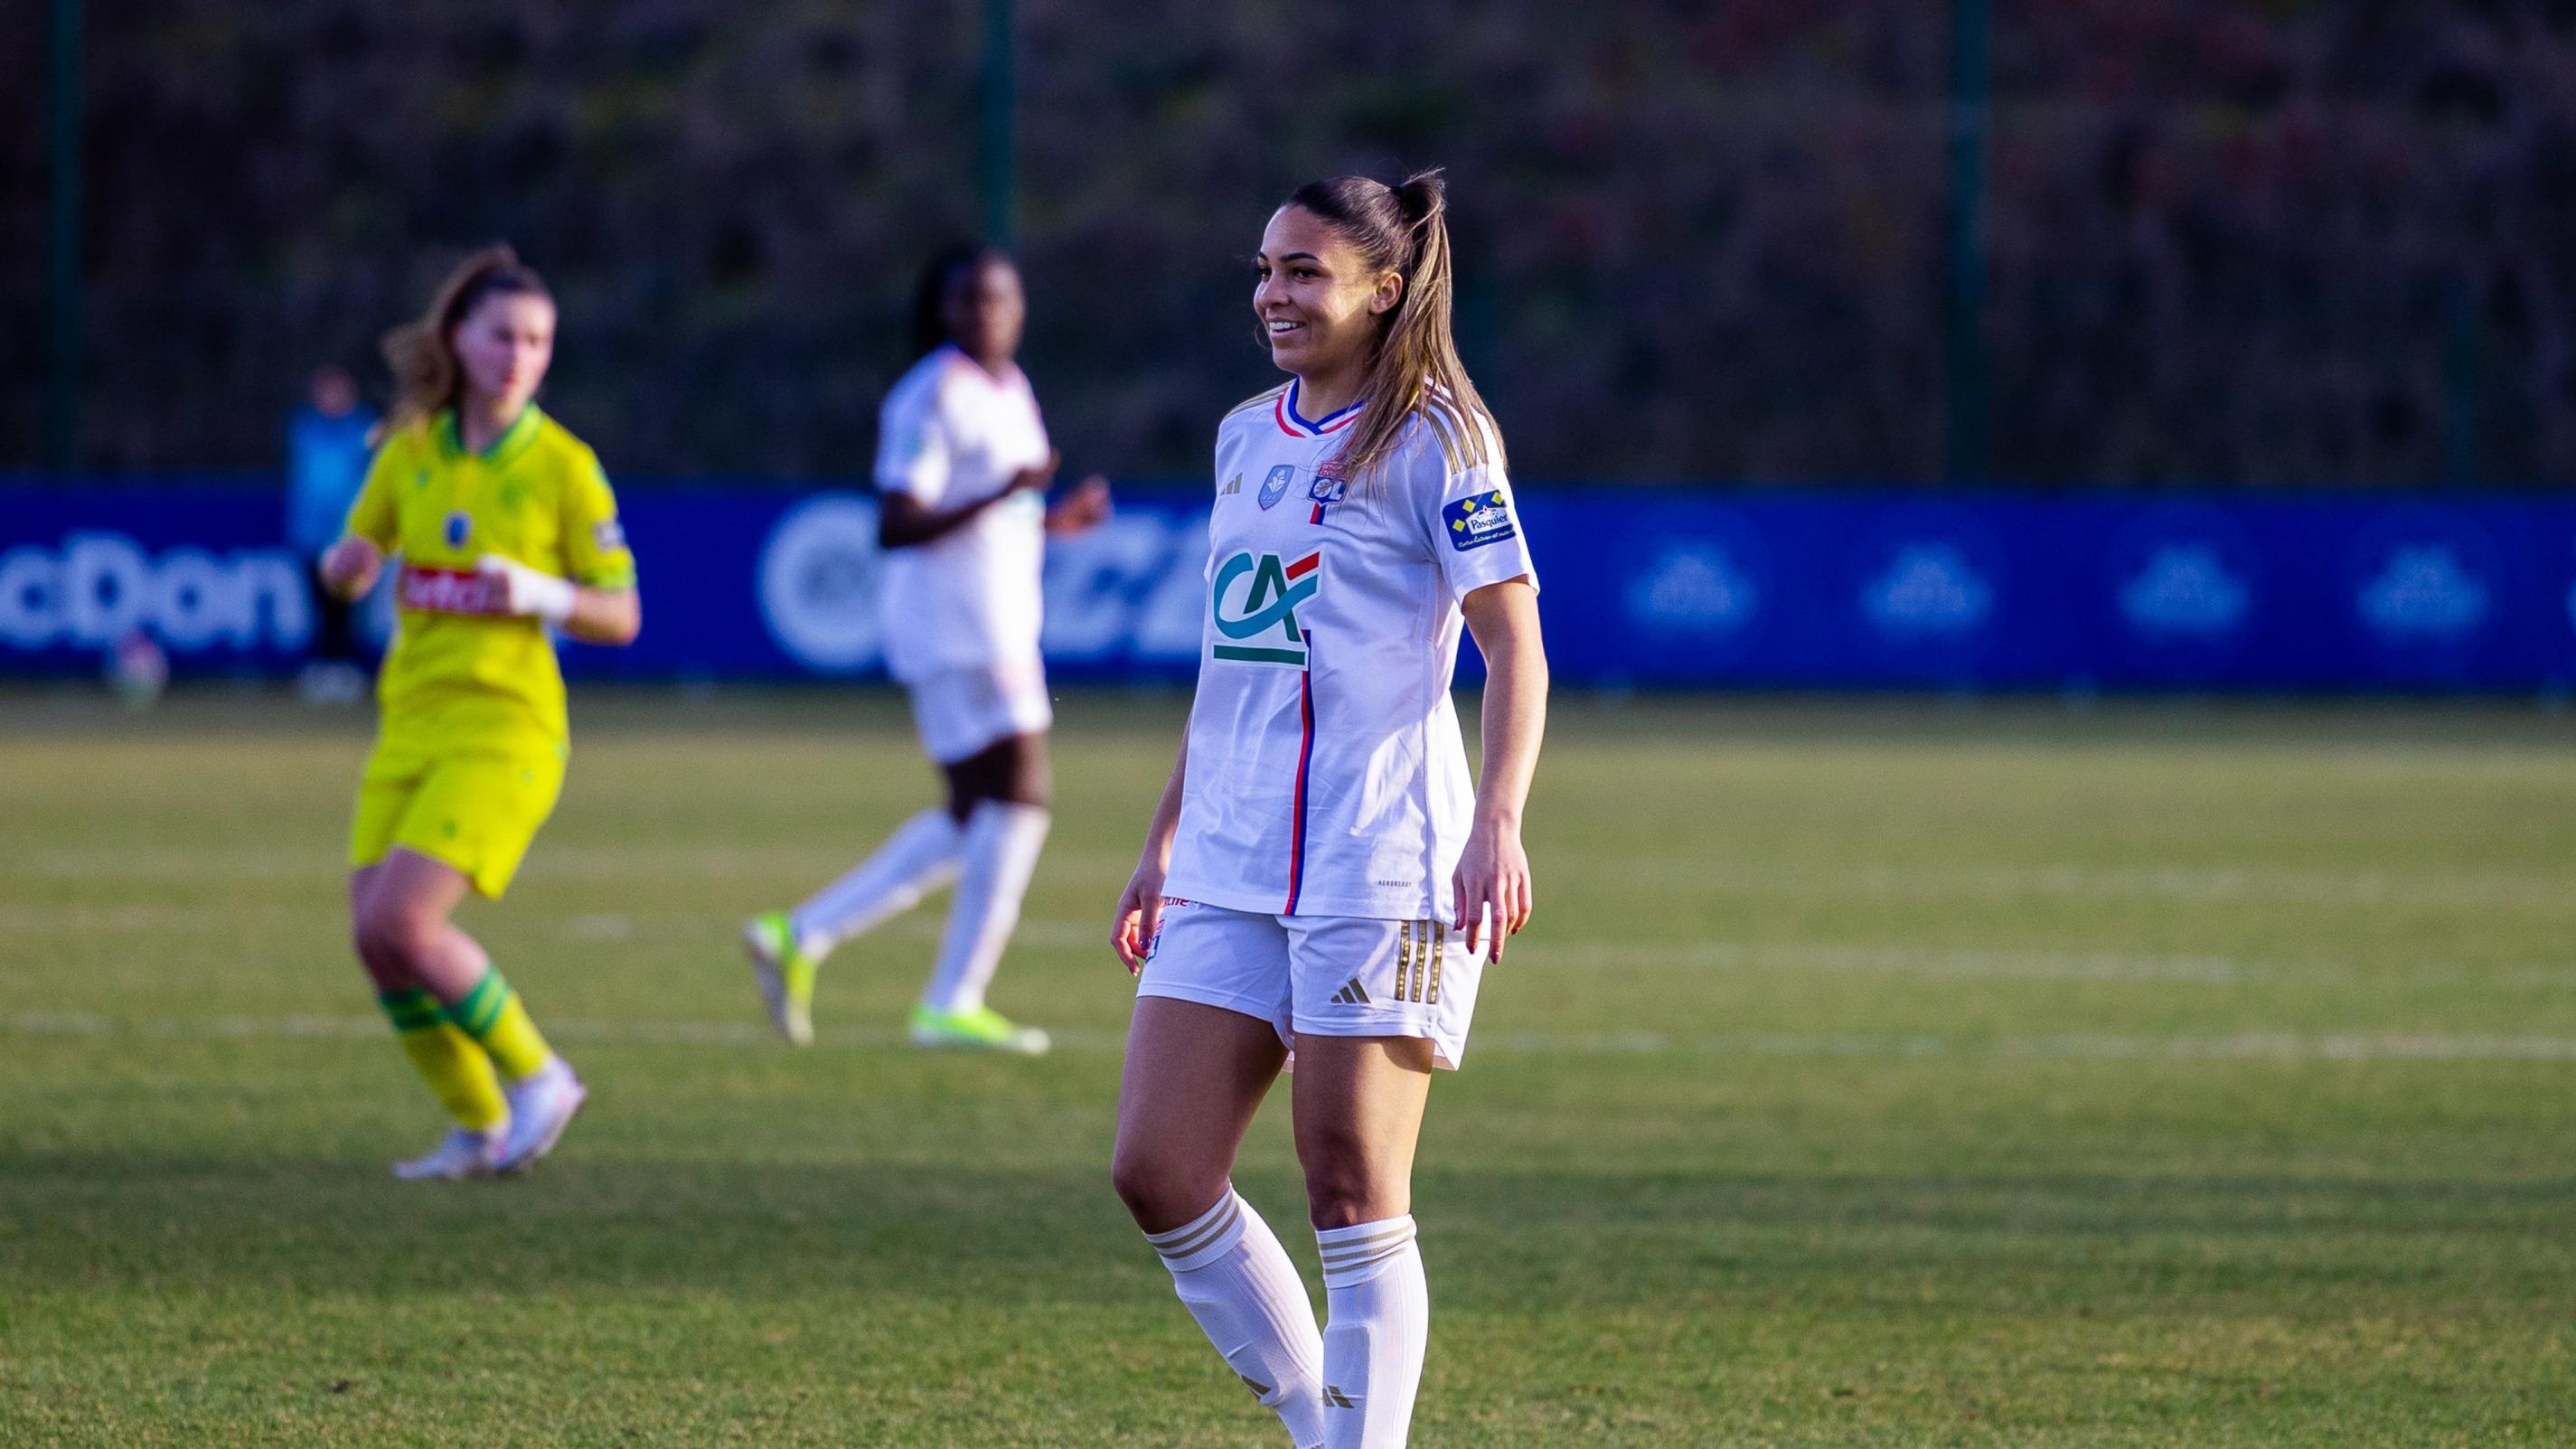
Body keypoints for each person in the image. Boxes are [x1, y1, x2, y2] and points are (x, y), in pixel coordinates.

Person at [1106, 171, 1547, 1449]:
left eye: (1303, 270)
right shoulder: (1245, 433)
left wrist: (1498, 818)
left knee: (1351, 1187)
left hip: (1379, 855)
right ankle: (1321, 1426)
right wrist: (1161, 841)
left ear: (1381, 288)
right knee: (1157, 1168)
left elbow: (1513, 645)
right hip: (1228, 856)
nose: (1272, 293)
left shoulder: (1438, 439)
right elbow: (1230, 661)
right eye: (1263, 269)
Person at [319, 245, 642, 1180]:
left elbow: (623, 613)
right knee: (376, 944)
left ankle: (543, 1076)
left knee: (406, 926)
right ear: (458, 339)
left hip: (507, 730)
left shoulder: (565, 468)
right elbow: (358, 544)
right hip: (409, 724)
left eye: (538, 340)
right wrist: (346, 565)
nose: (520, 356)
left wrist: (540, 591)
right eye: (503, 335)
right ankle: (476, 1126)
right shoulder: (411, 450)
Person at [741, 246, 1111, 1054]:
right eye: (970, 299)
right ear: (945, 310)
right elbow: (897, 519)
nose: (987, 311)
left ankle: (802, 933)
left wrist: (1051, 520)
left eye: (1001, 297)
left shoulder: (1009, 388)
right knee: (1022, 800)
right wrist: (1006, 490)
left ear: (1020, 308)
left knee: (973, 813)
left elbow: (990, 514)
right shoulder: (933, 393)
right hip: (963, 626)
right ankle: (953, 999)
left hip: (992, 614)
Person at [286, 365, 379, 703]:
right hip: (311, 536)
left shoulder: (363, 429)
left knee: (347, 606)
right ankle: (322, 668)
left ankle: (346, 668)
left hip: (348, 536)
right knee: (318, 605)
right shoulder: (305, 429)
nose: (330, 400)